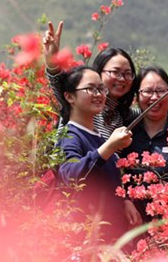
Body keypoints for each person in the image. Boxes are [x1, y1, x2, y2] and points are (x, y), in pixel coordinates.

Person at [43, 21, 168, 139]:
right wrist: (52, 61)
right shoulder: (83, 102)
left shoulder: (123, 116)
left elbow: (160, 105)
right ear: (99, 72)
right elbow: (59, 83)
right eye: (115, 72)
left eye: (127, 73)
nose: (122, 79)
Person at [55, 65, 142, 242]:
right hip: (85, 241)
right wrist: (109, 147)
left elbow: (107, 183)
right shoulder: (70, 136)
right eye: (90, 89)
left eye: (101, 89)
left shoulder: (100, 138)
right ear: (69, 96)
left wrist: (124, 200)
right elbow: (71, 175)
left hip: (109, 240)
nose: (99, 94)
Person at [119, 66, 168, 221]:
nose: (155, 97)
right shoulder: (125, 132)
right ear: (137, 96)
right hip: (132, 223)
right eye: (147, 91)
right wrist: (124, 199)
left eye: (161, 91)